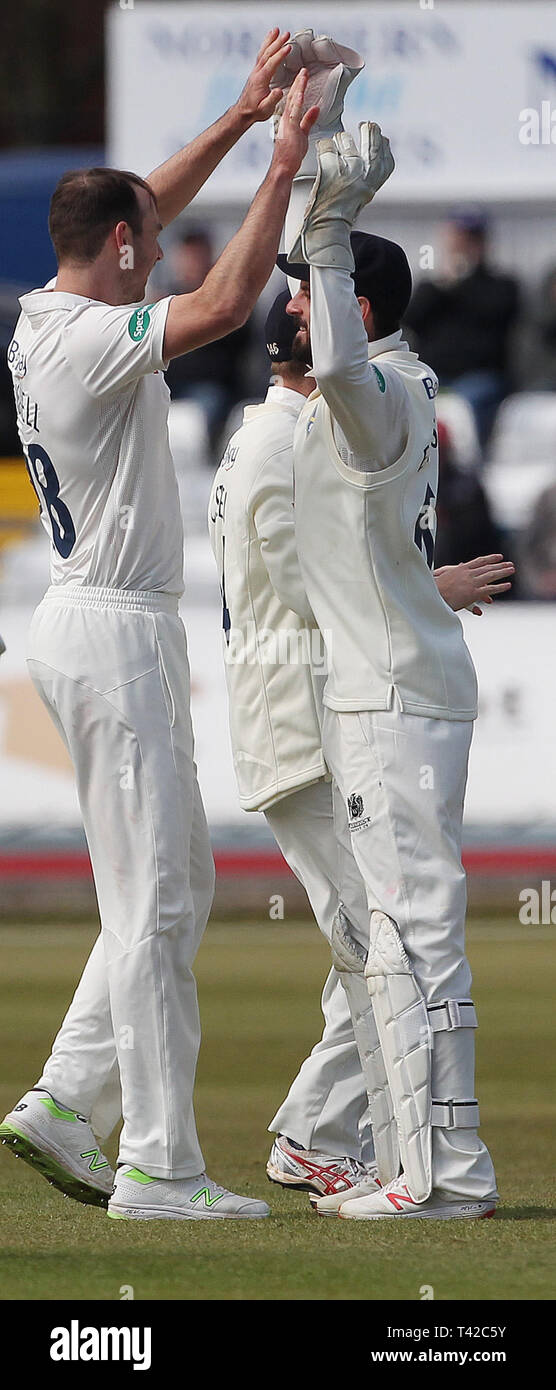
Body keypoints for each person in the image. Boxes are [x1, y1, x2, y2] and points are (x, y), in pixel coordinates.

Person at [0, 29, 320, 1223]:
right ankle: (160, 1168)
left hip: (88, 621)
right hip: (113, 631)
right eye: (146, 239)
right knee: (147, 906)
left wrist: (240, 120)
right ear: (127, 251)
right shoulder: (91, 344)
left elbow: (142, 210)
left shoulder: (43, 311)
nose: (155, 242)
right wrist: (282, 163)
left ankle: (65, 1101)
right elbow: (232, 298)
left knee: (175, 878)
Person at [209, 288, 513, 1205]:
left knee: (375, 945)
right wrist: (432, 589)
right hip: (301, 723)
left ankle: (366, 1143)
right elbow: (314, 589)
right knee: (386, 944)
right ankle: (327, 1138)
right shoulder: (280, 441)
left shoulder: (271, 431)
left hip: (311, 715)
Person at [280, 124, 499, 1219]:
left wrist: (323, 234)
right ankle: (430, 1166)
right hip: (408, 685)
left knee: (408, 943)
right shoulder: (398, 390)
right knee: (412, 939)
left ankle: (438, 1180)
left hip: (390, 702)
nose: (288, 308)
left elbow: (325, 359)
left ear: (357, 309)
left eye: (308, 291)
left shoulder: (370, 397)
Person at [404, 208, 519, 449]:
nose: (463, 245)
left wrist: (466, 278)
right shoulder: (434, 286)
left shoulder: (501, 285)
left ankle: (467, 475)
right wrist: (446, 281)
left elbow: (496, 312)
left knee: (463, 409)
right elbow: (411, 319)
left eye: (471, 239)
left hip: (479, 378)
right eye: (459, 238)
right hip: (435, 376)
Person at [163, 227, 255, 451]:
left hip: (210, 387)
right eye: (189, 257)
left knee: (201, 412)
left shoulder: (225, 302)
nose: (193, 263)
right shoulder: (168, 300)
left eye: (198, 257)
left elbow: (239, 346)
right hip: (170, 386)